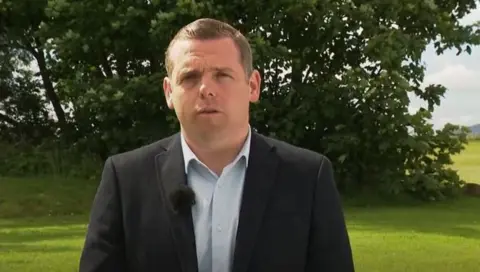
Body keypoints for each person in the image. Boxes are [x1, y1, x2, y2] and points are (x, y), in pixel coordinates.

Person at [79, 18, 355, 272]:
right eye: (189, 77)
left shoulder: (308, 177)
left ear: (253, 86)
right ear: (168, 92)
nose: (206, 89)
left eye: (222, 75)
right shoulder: (125, 178)